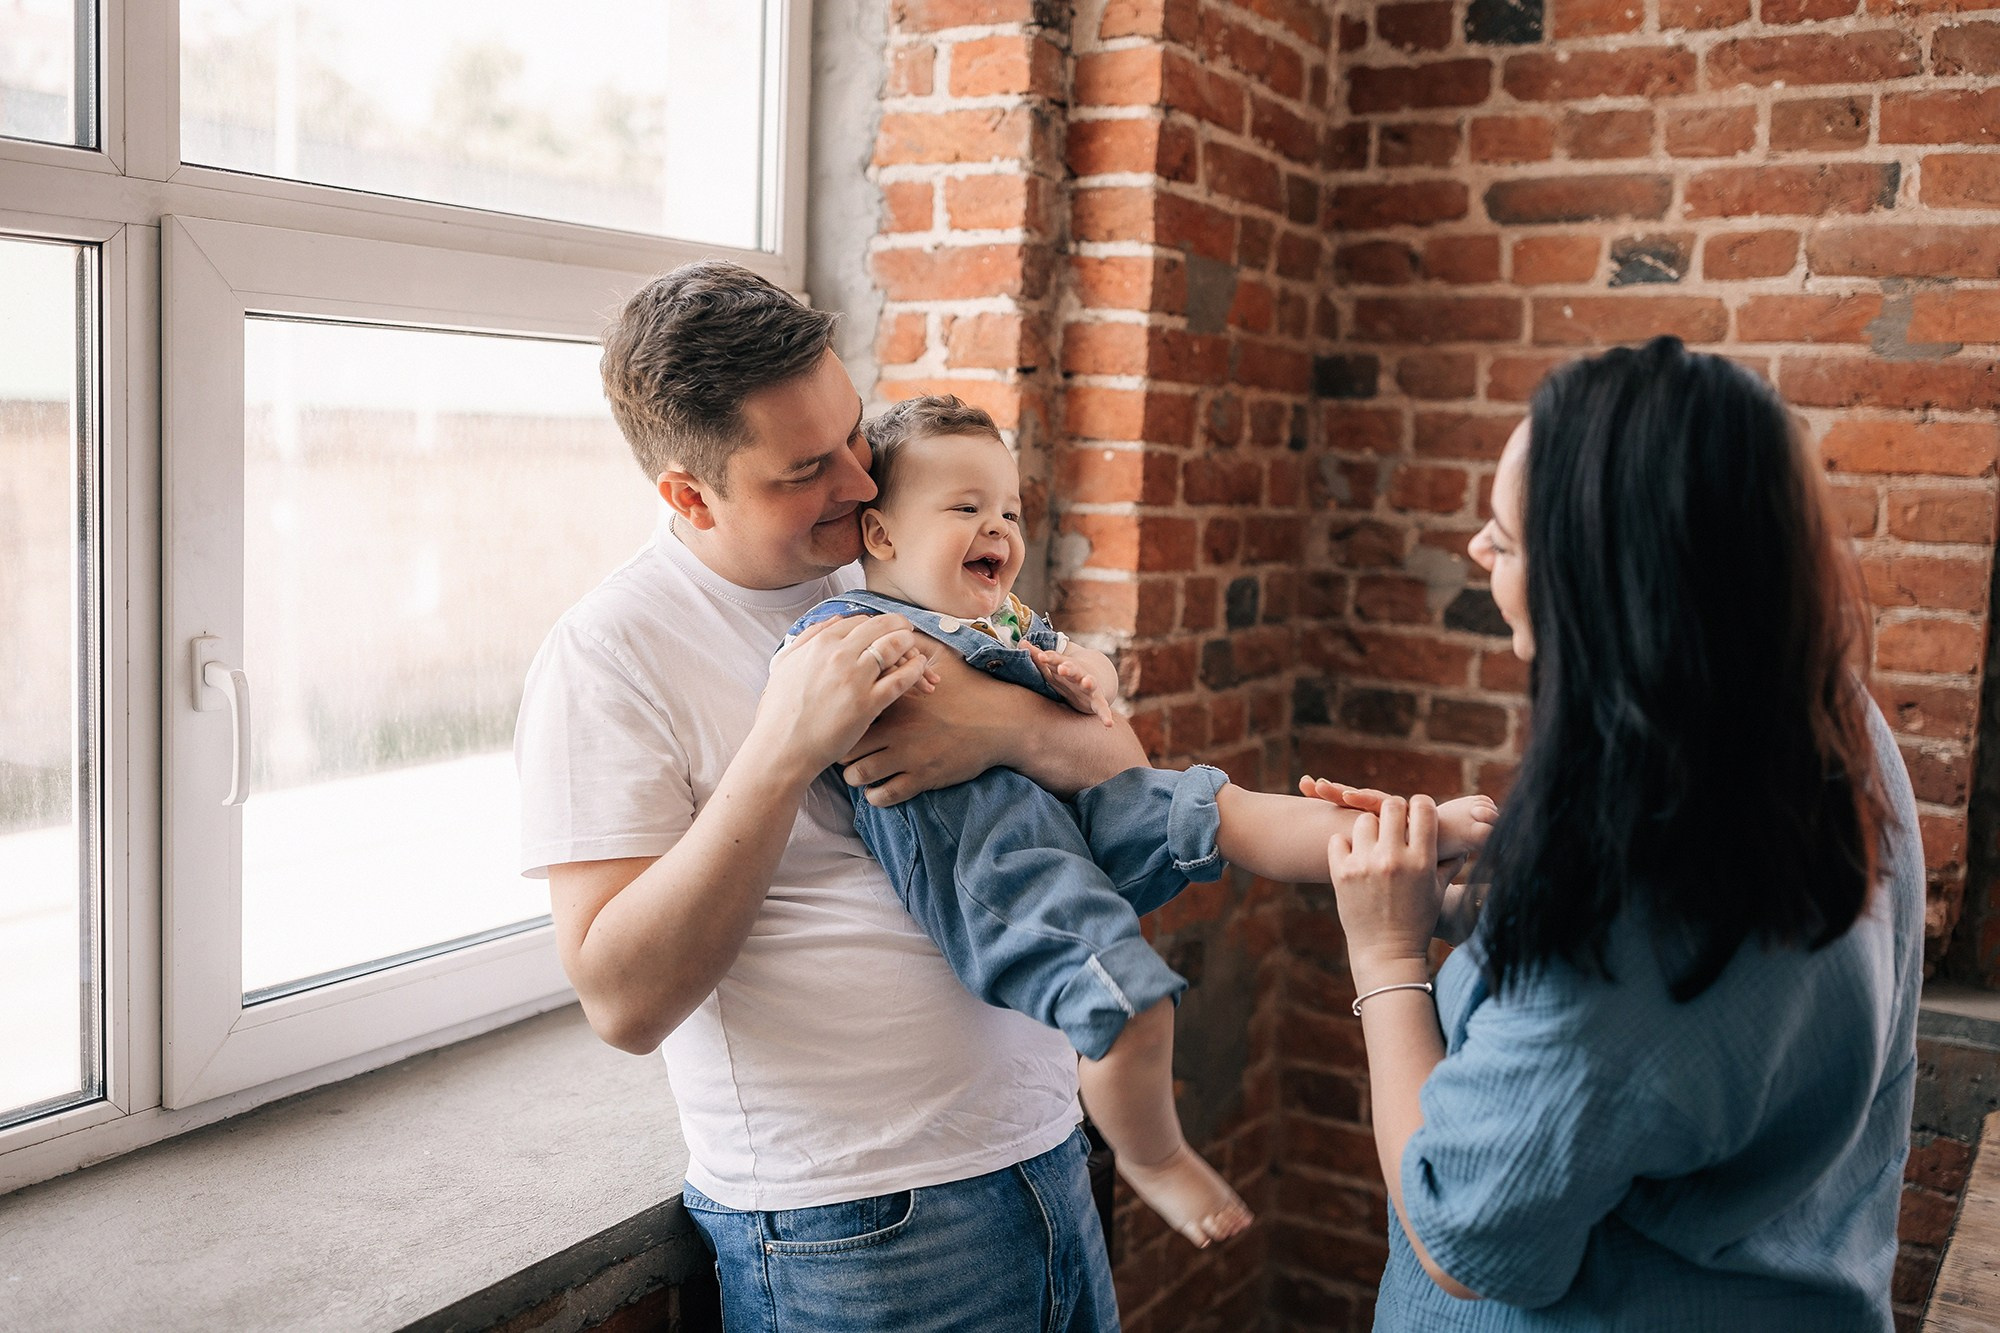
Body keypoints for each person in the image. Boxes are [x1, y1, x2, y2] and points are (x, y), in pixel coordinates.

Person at [515, 261, 1158, 1332]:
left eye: (854, 432)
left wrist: (1002, 727)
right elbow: (621, 1001)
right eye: (808, 468)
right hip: (857, 1230)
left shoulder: (898, 555)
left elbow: (1120, 768)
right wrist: (781, 748)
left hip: (1048, 1157)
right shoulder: (607, 653)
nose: (861, 482)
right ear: (688, 494)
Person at [780, 394, 1498, 1248]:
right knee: (1132, 1001)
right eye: (966, 508)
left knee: (1221, 807)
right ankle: (1151, 1155)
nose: (998, 527)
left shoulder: (1002, 621)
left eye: (1010, 509)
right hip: (996, 864)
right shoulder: (845, 627)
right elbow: (811, 700)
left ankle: (1415, 850)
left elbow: (1100, 715)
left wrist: (1092, 675)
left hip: (1078, 812)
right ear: (882, 535)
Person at [1316, 336, 1923, 1330]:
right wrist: (1512, 887)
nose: (1475, 553)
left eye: (1505, 541)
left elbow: (1461, 1238)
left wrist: (1386, 954)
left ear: (1601, 589)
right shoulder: (1821, 717)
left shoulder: (1635, 925)